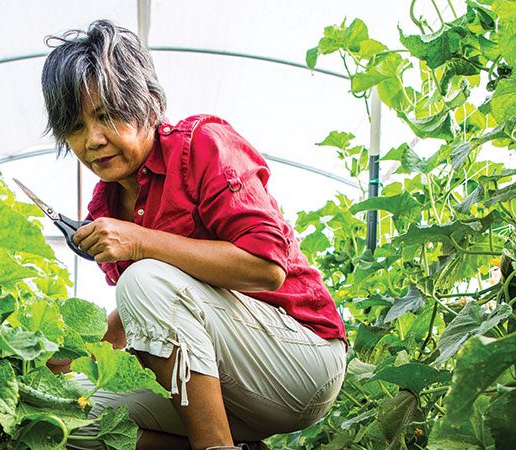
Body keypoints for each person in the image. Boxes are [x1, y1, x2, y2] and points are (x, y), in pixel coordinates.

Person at [41, 20, 347, 450]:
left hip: (300, 362)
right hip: (223, 389)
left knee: (144, 278)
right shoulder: (104, 206)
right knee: (68, 418)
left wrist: (140, 241)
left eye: (108, 116)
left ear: (145, 106)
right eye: (75, 126)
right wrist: (63, 362)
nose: (92, 140)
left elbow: (267, 269)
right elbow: (144, 318)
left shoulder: (201, 145)